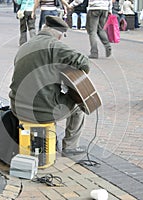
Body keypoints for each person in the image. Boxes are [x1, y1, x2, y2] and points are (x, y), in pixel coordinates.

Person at [9, 15, 90, 155]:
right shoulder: (55, 45)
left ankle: (48, 139)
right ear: (59, 35)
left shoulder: (25, 46)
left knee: (49, 96)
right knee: (79, 106)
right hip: (41, 112)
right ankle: (70, 147)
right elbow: (84, 63)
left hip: (17, 108)